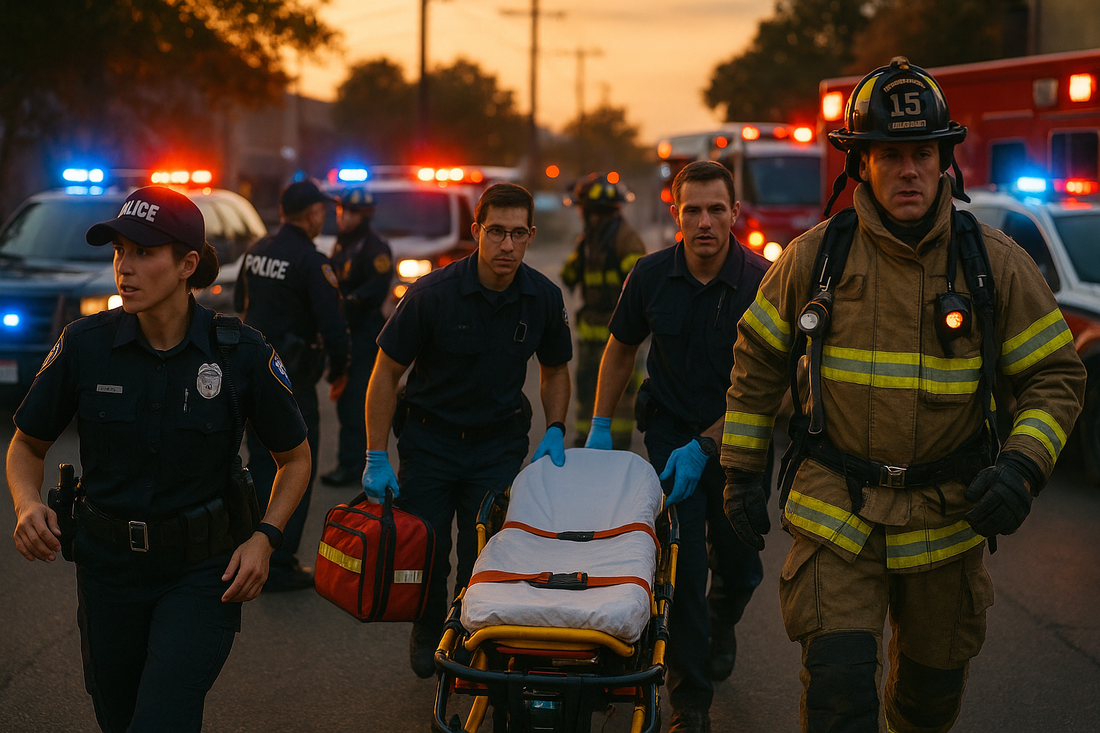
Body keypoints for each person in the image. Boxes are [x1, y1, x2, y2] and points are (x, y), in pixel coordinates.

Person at [720, 58, 1086, 733]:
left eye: (923, 153)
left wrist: (1021, 466)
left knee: (927, 704)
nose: (909, 170)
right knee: (838, 696)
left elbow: (1055, 376)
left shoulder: (994, 263)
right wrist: (742, 469)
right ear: (861, 164)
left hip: (948, 519)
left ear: (945, 160)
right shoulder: (813, 258)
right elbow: (759, 357)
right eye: (891, 155)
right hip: (837, 513)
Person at [6, 186, 311, 733]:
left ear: (187, 265)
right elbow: (27, 444)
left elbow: (296, 458)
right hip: (107, 572)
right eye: (119, 251)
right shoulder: (84, 345)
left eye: (143, 253)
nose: (124, 267)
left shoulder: (239, 352)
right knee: (118, 718)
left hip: (201, 572)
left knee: (163, 718)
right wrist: (27, 503)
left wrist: (265, 538)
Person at [585, 160, 770, 733]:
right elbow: (620, 348)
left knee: (740, 567)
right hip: (668, 439)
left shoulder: (764, 282)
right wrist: (599, 424)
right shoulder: (649, 275)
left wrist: (708, 445)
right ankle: (690, 705)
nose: (705, 222)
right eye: (693, 210)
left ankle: (723, 620)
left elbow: (778, 387)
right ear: (676, 215)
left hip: (738, 443)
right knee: (683, 571)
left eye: (716, 209)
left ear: (735, 213)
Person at [363, 182, 573, 678]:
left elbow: (556, 369)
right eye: (496, 231)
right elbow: (386, 372)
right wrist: (375, 455)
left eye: (517, 233)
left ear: (531, 235)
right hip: (430, 443)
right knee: (429, 551)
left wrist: (556, 427)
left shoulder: (542, 297)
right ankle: (427, 626)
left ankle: (468, 635)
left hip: (497, 445)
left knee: (484, 552)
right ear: (477, 230)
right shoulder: (432, 293)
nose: (506, 245)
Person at [234, 178, 350, 590]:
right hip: (292, 381)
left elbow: (240, 304)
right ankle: (278, 561)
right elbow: (333, 325)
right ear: (313, 214)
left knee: (260, 463)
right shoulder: (311, 261)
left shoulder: (257, 250)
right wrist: (340, 370)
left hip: (252, 373)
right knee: (296, 464)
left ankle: (248, 548)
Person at [560, 172, 647, 448]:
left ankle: (617, 444)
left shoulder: (626, 240)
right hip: (590, 335)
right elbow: (569, 275)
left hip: (618, 337)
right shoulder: (589, 240)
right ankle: (583, 441)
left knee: (618, 393)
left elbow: (640, 291)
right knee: (587, 389)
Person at [320, 186, 394, 487]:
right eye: (342, 210)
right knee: (345, 398)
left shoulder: (375, 247)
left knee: (355, 401)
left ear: (365, 216)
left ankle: (352, 465)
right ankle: (350, 462)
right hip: (346, 329)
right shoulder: (343, 243)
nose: (344, 217)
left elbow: (377, 287)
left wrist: (348, 301)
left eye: (351, 212)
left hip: (365, 333)